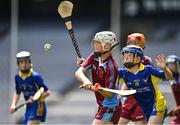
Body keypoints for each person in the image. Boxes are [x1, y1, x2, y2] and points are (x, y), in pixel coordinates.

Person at [118, 45, 173, 124]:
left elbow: (169, 77)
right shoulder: (123, 73)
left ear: (138, 58)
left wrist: (164, 68)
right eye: (124, 55)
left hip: (157, 104)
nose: (125, 58)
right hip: (145, 108)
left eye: (129, 55)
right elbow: (107, 76)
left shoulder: (148, 70)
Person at [75, 31, 121, 125]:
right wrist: (86, 81)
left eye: (98, 43)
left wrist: (96, 89)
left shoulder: (112, 67)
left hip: (110, 105)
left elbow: (108, 94)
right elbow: (78, 72)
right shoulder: (94, 57)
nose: (95, 45)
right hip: (103, 104)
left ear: (107, 45)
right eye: (95, 42)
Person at [119, 33, 152, 124]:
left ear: (142, 45)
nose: (131, 45)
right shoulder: (128, 61)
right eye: (130, 43)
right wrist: (120, 95)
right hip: (129, 99)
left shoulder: (146, 61)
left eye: (135, 43)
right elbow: (128, 80)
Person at [9, 51, 50, 125]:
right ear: (18, 64)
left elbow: (47, 92)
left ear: (30, 63)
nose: (24, 64)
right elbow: (18, 92)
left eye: (26, 62)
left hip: (38, 106)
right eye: (21, 62)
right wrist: (13, 104)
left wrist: (36, 98)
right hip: (28, 107)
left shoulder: (36, 76)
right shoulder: (17, 77)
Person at [166, 55, 180, 125]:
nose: (171, 68)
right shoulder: (169, 79)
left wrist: (177, 109)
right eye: (169, 65)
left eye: (173, 65)